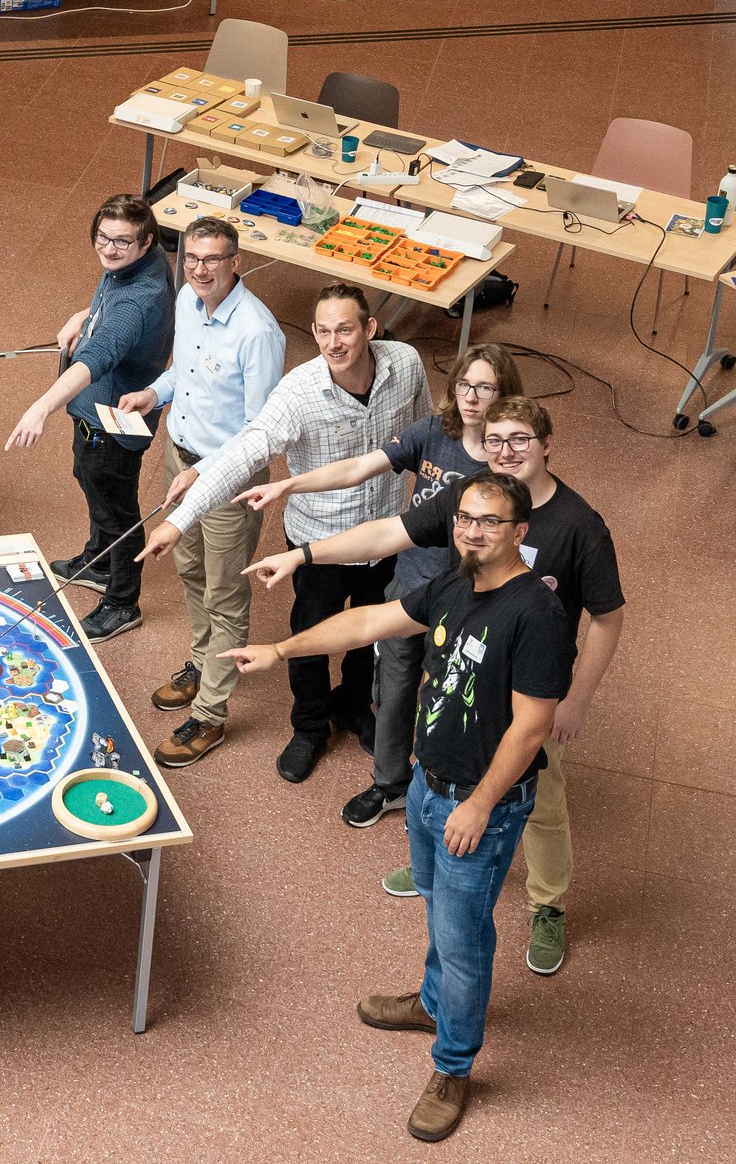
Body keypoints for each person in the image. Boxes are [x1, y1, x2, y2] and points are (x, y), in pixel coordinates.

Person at [223, 472, 572, 1142]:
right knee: (442, 912)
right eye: (465, 517)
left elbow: (531, 729)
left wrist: (479, 805)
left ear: (519, 532)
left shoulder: (536, 615)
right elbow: (369, 619)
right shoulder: (453, 583)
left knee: (465, 940)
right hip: (425, 786)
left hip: (482, 806)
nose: (472, 530)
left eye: (489, 521)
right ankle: (435, 1004)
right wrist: (281, 648)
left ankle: (453, 1066)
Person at [245, 397, 623, 976]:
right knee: (437, 779)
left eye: (520, 439)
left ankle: (548, 904)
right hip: (461, 676)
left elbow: (606, 617)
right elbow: (384, 537)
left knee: (537, 801)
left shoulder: (580, 527)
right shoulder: (468, 497)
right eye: (495, 440)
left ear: (548, 445)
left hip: (528, 694)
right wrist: (303, 556)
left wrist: (577, 699)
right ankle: (435, 868)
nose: (506, 452)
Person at [139, 283, 427, 783]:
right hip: (317, 541)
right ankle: (310, 727)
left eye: (345, 329)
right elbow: (244, 455)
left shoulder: (405, 365)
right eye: (323, 331)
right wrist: (178, 521)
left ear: (370, 329)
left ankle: (355, 705)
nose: (333, 342)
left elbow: (424, 431)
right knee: (310, 635)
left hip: (385, 530)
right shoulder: (298, 392)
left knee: (370, 629)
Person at [237, 344, 523, 826]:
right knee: (392, 692)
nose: (472, 398)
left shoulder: (506, 470)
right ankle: (390, 784)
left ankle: (446, 799)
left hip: (465, 608)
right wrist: (290, 485)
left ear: (504, 394)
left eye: (485, 388)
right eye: (463, 385)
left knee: (449, 703)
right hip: (409, 590)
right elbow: (357, 468)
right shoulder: (433, 433)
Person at [111, 217, 284, 767]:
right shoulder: (188, 298)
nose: (200, 269)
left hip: (226, 479)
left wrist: (205, 470)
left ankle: (210, 716)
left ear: (236, 261)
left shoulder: (257, 332)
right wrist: (151, 393)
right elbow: (183, 375)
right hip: (178, 457)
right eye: (192, 258)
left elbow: (262, 433)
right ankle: (204, 659)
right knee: (188, 569)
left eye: (213, 259)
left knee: (224, 590)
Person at [5, 193, 174, 643]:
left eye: (121, 242)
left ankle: (122, 602)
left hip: (112, 423)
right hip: (100, 414)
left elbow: (96, 358)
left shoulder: (138, 302)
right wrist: (84, 314)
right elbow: (109, 304)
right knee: (90, 477)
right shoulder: (143, 260)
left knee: (116, 508)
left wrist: (41, 406)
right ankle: (99, 562)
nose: (109, 249)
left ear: (147, 240)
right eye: (103, 237)